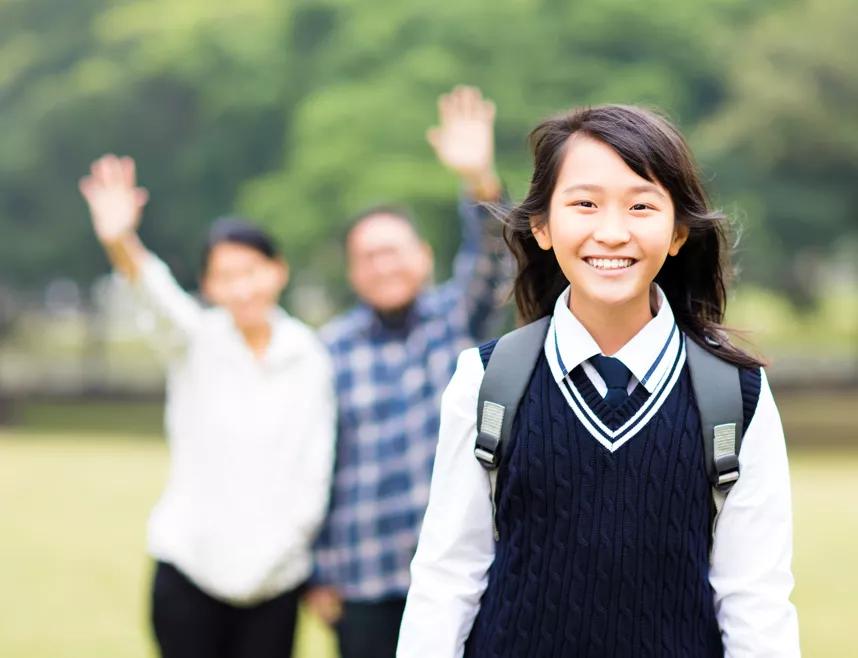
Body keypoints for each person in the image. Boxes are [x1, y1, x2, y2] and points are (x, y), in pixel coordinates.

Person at [397, 105, 800, 656]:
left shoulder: (738, 395)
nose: (611, 233)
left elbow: (756, 601)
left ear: (679, 231)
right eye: (584, 203)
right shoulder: (488, 380)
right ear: (541, 225)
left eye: (640, 206)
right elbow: (447, 580)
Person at [78, 155, 336, 658]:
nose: (241, 288)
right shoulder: (195, 342)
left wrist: (283, 552)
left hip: (275, 580)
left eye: (251, 271)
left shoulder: (308, 355)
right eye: (225, 276)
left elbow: (314, 467)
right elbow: (156, 297)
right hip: (189, 568)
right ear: (210, 287)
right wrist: (120, 242)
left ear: (277, 270)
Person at [305, 85, 510, 658]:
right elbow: (317, 461)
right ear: (352, 273)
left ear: (423, 256)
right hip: (363, 576)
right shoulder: (331, 350)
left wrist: (480, 180)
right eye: (367, 257)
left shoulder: (456, 319)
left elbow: (497, 253)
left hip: (458, 570)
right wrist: (318, 570)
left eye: (393, 250)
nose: (382, 264)